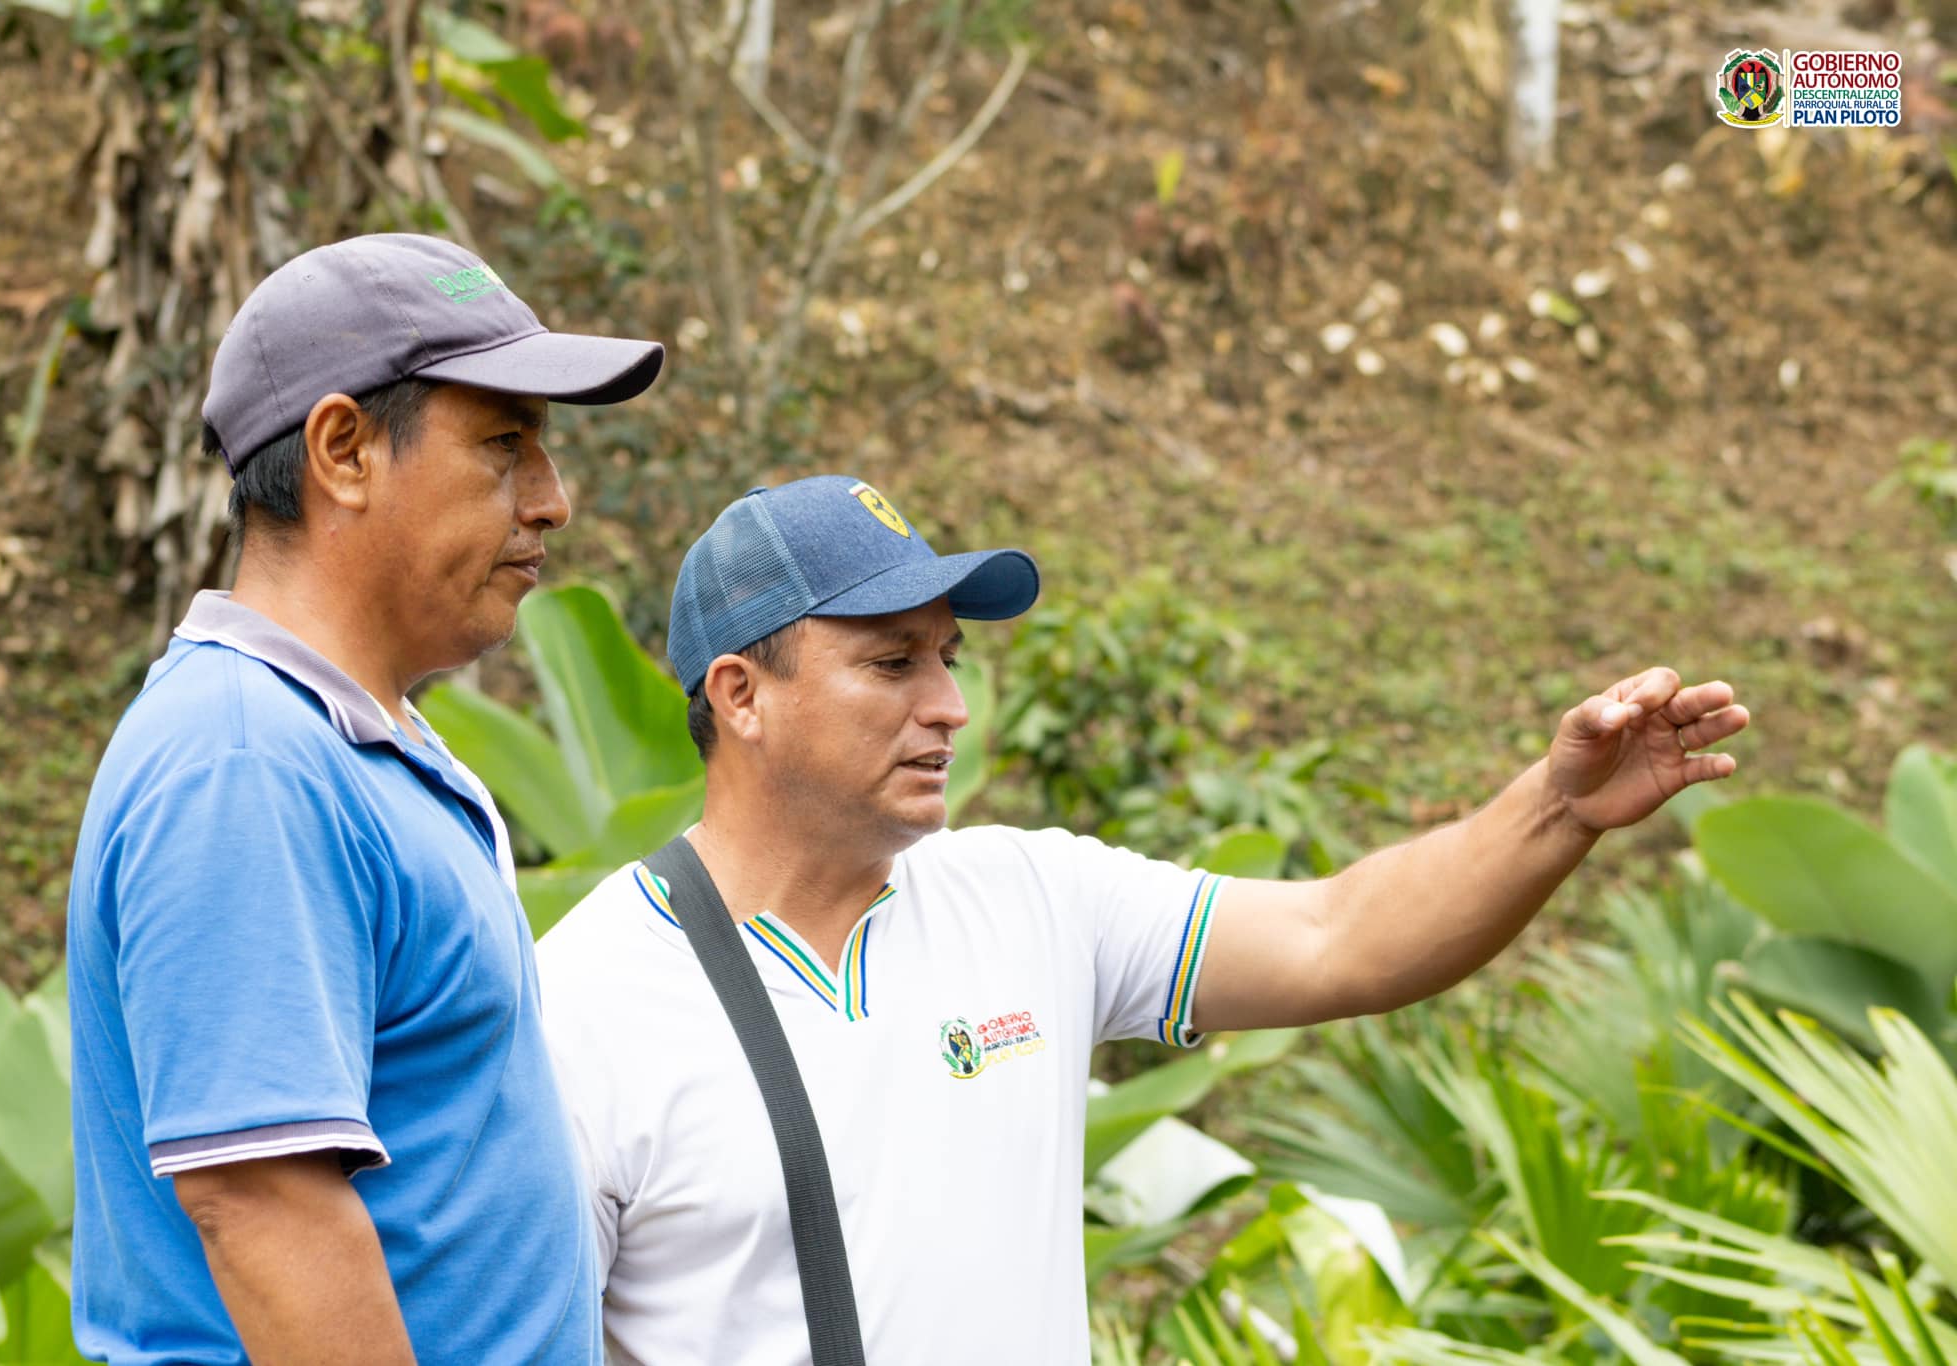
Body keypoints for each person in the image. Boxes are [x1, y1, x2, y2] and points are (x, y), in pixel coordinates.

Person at [536, 474, 1750, 1364]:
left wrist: (1555, 808)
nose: (950, 704)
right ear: (741, 695)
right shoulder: (586, 999)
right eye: (893, 664)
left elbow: (1340, 937)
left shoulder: (1028, 897)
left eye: (947, 657)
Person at [65, 233, 663, 1364]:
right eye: (504, 445)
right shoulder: (245, 764)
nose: (553, 500)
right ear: (344, 451)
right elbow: (265, 1207)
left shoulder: (347, 742)